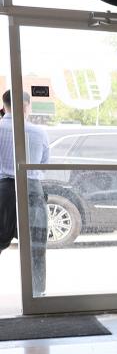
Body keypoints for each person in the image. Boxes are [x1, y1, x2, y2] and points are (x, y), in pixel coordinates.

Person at [0, 90, 49, 297]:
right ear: (26, 106)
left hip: (3, 191)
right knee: (36, 246)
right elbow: (44, 164)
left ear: (5, 105)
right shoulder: (39, 132)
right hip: (32, 190)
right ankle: (37, 296)